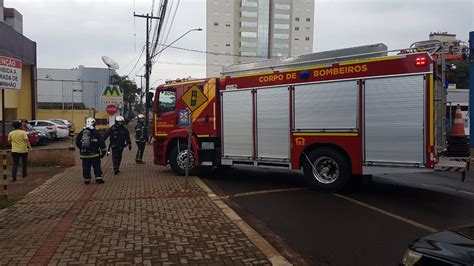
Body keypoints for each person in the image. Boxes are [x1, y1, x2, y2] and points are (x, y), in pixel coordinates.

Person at [76, 117, 106, 184]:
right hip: (94, 155)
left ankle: (87, 180)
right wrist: (103, 152)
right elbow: (102, 143)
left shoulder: (81, 133)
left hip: (84, 155)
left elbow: (77, 142)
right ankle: (98, 179)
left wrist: (82, 148)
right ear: (94, 124)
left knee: (86, 168)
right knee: (97, 167)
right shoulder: (96, 133)